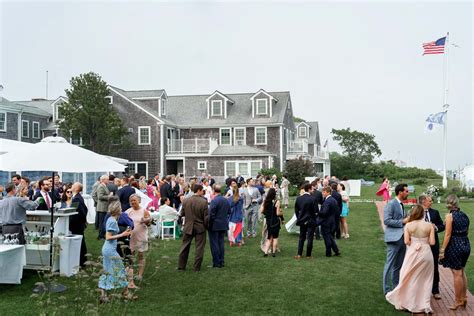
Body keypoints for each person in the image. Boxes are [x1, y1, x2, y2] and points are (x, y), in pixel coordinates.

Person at [385, 204, 435, 314]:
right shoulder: (429, 226)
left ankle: (410, 302)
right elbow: (432, 242)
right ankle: (425, 304)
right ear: (422, 213)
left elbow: (406, 241)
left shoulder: (408, 225)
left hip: (413, 253)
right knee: (426, 279)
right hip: (426, 254)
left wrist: (415, 243)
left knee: (408, 276)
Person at [439, 194, 471, 310]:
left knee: (456, 274)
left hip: (455, 245)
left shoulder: (449, 216)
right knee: (462, 271)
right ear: (457, 203)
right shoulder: (465, 215)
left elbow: (447, 234)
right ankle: (464, 298)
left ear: (448, 203)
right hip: (466, 244)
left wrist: (442, 250)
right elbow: (466, 231)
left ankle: (458, 301)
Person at [98, 201, 133, 303]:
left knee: (108, 270)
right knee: (120, 270)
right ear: (118, 210)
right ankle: (125, 293)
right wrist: (123, 234)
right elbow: (108, 237)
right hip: (110, 250)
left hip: (107, 249)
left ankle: (103, 295)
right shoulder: (112, 221)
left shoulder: (111, 219)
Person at [382, 183, 409, 295]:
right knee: (389, 265)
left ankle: (396, 287)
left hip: (402, 238)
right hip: (393, 239)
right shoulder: (391, 204)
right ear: (400, 192)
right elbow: (386, 221)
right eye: (406, 191)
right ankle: (386, 289)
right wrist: (402, 221)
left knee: (398, 265)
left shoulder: (401, 204)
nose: (408, 193)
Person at [177, 184, 209, 272]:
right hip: (200, 227)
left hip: (188, 226)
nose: (203, 192)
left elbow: (182, 213)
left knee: (184, 247)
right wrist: (206, 226)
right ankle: (196, 268)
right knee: (199, 248)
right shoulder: (203, 201)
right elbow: (206, 217)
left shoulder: (186, 200)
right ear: (198, 190)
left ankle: (181, 266)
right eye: (202, 190)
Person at [419, 194, 445, 300]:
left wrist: (435, 228)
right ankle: (420, 290)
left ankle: (435, 290)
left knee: (434, 266)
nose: (431, 202)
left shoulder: (435, 212)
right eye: (429, 200)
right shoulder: (416, 212)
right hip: (420, 243)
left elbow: (442, 226)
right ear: (423, 201)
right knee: (420, 266)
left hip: (433, 244)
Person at [126, 194, 151, 282]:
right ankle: (130, 273)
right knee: (130, 255)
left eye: (134, 200)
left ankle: (140, 274)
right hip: (131, 237)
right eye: (131, 201)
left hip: (141, 236)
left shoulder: (144, 211)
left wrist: (146, 221)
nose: (133, 202)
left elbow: (149, 224)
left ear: (139, 201)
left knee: (141, 255)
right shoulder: (128, 211)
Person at [208, 185, 230, 268]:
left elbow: (211, 214)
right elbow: (229, 211)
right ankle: (221, 261)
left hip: (215, 225)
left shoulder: (214, 201)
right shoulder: (225, 200)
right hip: (223, 224)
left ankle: (216, 262)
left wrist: (210, 223)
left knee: (214, 244)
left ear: (214, 191)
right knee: (221, 243)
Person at [294, 183, 317, 259]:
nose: (313, 190)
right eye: (312, 189)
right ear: (309, 189)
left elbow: (296, 211)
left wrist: (299, 218)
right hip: (311, 220)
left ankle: (299, 254)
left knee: (301, 237)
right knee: (310, 238)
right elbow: (316, 211)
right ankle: (308, 255)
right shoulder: (313, 198)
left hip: (302, 220)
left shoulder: (299, 198)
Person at [70, 182, 88, 267]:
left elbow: (78, 212)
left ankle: (82, 261)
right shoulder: (78, 197)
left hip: (77, 224)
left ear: (76, 188)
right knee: (81, 241)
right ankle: (83, 260)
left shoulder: (76, 198)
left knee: (80, 242)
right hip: (79, 223)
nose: (72, 186)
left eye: (73, 185)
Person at [318, 186, 340, 257]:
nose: (322, 193)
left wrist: (317, 212)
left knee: (327, 238)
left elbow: (324, 213)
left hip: (326, 222)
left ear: (328, 192)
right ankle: (336, 251)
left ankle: (328, 253)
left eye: (324, 192)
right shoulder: (334, 200)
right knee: (330, 237)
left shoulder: (327, 201)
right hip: (332, 221)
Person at [261, 188, 282, 257]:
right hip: (275, 221)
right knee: (275, 237)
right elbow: (278, 213)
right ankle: (273, 252)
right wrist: (281, 214)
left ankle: (266, 252)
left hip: (268, 221)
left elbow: (262, 211)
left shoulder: (265, 201)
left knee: (269, 237)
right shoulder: (277, 201)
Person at [96, 175, 115, 240]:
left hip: (104, 207)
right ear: (103, 180)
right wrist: (109, 196)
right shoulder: (101, 186)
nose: (108, 180)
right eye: (107, 179)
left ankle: (102, 234)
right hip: (102, 207)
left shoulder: (104, 186)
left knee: (104, 221)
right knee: (102, 222)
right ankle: (100, 236)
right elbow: (100, 197)